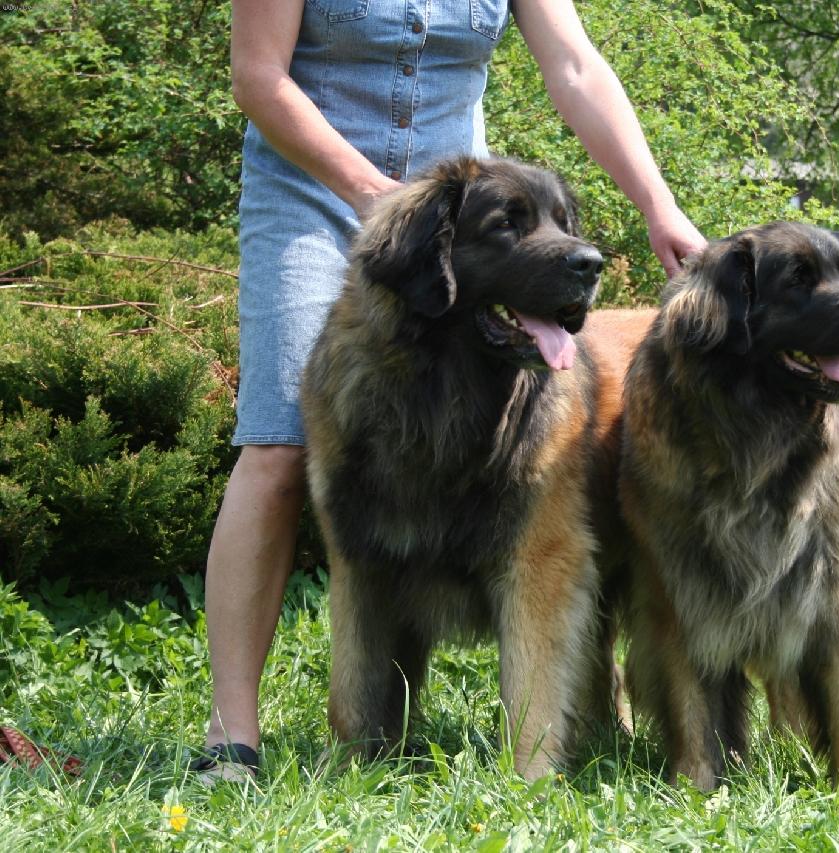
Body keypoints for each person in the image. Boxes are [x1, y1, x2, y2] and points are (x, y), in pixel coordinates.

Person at [196, 0, 706, 781]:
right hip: (311, 190)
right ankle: (232, 735)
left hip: (463, 222)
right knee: (276, 443)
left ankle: (545, 716)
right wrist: (372, 191)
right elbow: (258, 78)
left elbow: (575, 66)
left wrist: (657, 203)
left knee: (508, 441)